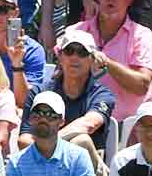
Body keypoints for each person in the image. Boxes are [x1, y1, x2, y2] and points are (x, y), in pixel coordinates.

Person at [68, 0, 152, 119]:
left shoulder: (143, 37)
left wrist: (106, 63)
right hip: (79, 119)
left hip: (128, 127)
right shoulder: (75, 32)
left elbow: (142, 86)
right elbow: (58, 76)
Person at [36, 30, 116, 162]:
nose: (74, 57)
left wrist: (47, 144)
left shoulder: (102, 95)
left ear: (92, 59)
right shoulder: (40, 92)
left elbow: (88, 124)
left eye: (82, 53)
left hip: (89, 172)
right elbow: (25, 138)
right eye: (69, 51)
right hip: (44, 165)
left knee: (81, 141)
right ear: (60, 57)